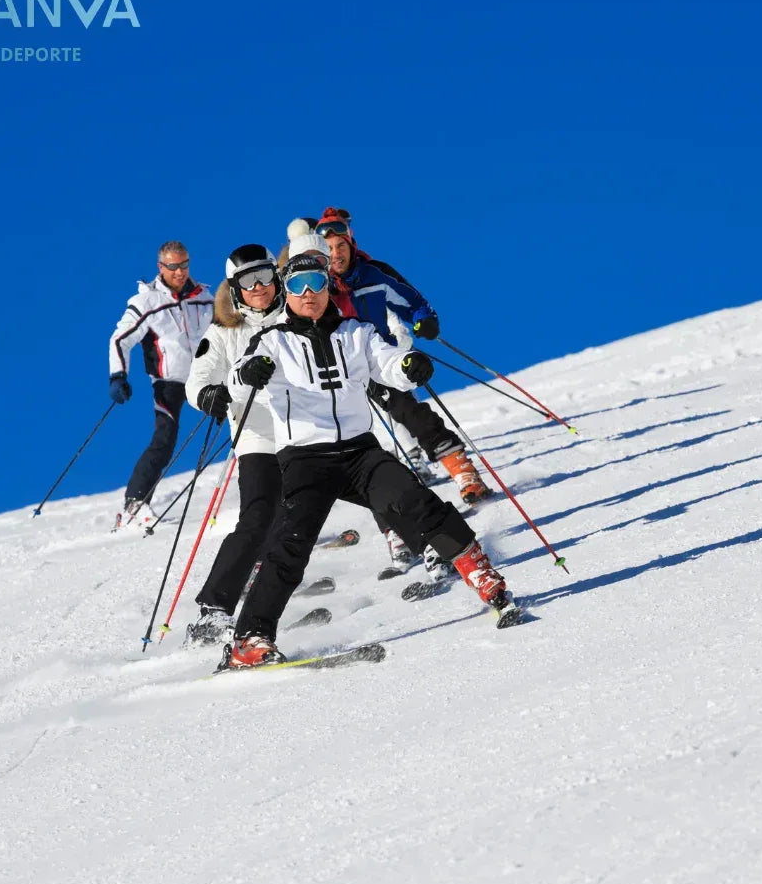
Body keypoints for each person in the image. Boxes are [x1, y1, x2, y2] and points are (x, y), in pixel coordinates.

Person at [218, 253, 512, 669]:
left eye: (316, 283)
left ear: (327, 287)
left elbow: (387, 363)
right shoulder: (272, 341)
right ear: (286, 291)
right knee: (292, 544)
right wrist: (250, 373)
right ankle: (250, 639)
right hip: (305, 458)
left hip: (359, 451)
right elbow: (239, 376)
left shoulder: (355, 332)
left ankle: (482, 575)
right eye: (298, 285)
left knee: (417, 500)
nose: (308, 294)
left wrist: (409, 367)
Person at [313, 206, 492, 508]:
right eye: (329, 249)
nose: (336, 254)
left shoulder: (372, 274)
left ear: (351, 244)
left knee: (409, 412)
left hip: (379, 361)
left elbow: (410, 299)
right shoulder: (318, 285)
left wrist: (423, 318)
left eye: (340, 246)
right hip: (338, 373)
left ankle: (463, 472)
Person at [181, 244, 286, 646]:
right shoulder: (225, 331)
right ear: (234, 288)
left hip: (305, 434)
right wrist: (207, 394)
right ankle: (214, 608)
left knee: (295, 517)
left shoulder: (296, 315)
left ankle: (265, 583)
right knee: (258, 516)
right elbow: (198, 377)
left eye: (263, 276)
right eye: (247, 280)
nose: (257, 287)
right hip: (257, 437)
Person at [107, 240, 214, 527]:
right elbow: (120, 339)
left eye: (184, 265)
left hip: (206, 376)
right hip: (169, 382)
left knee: (243, 419)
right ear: (160, 267)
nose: (179, 272)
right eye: (173, 267)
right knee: (165, 439)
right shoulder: (147, 302)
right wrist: (118, 375)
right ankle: (135, 502)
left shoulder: (205, 298)